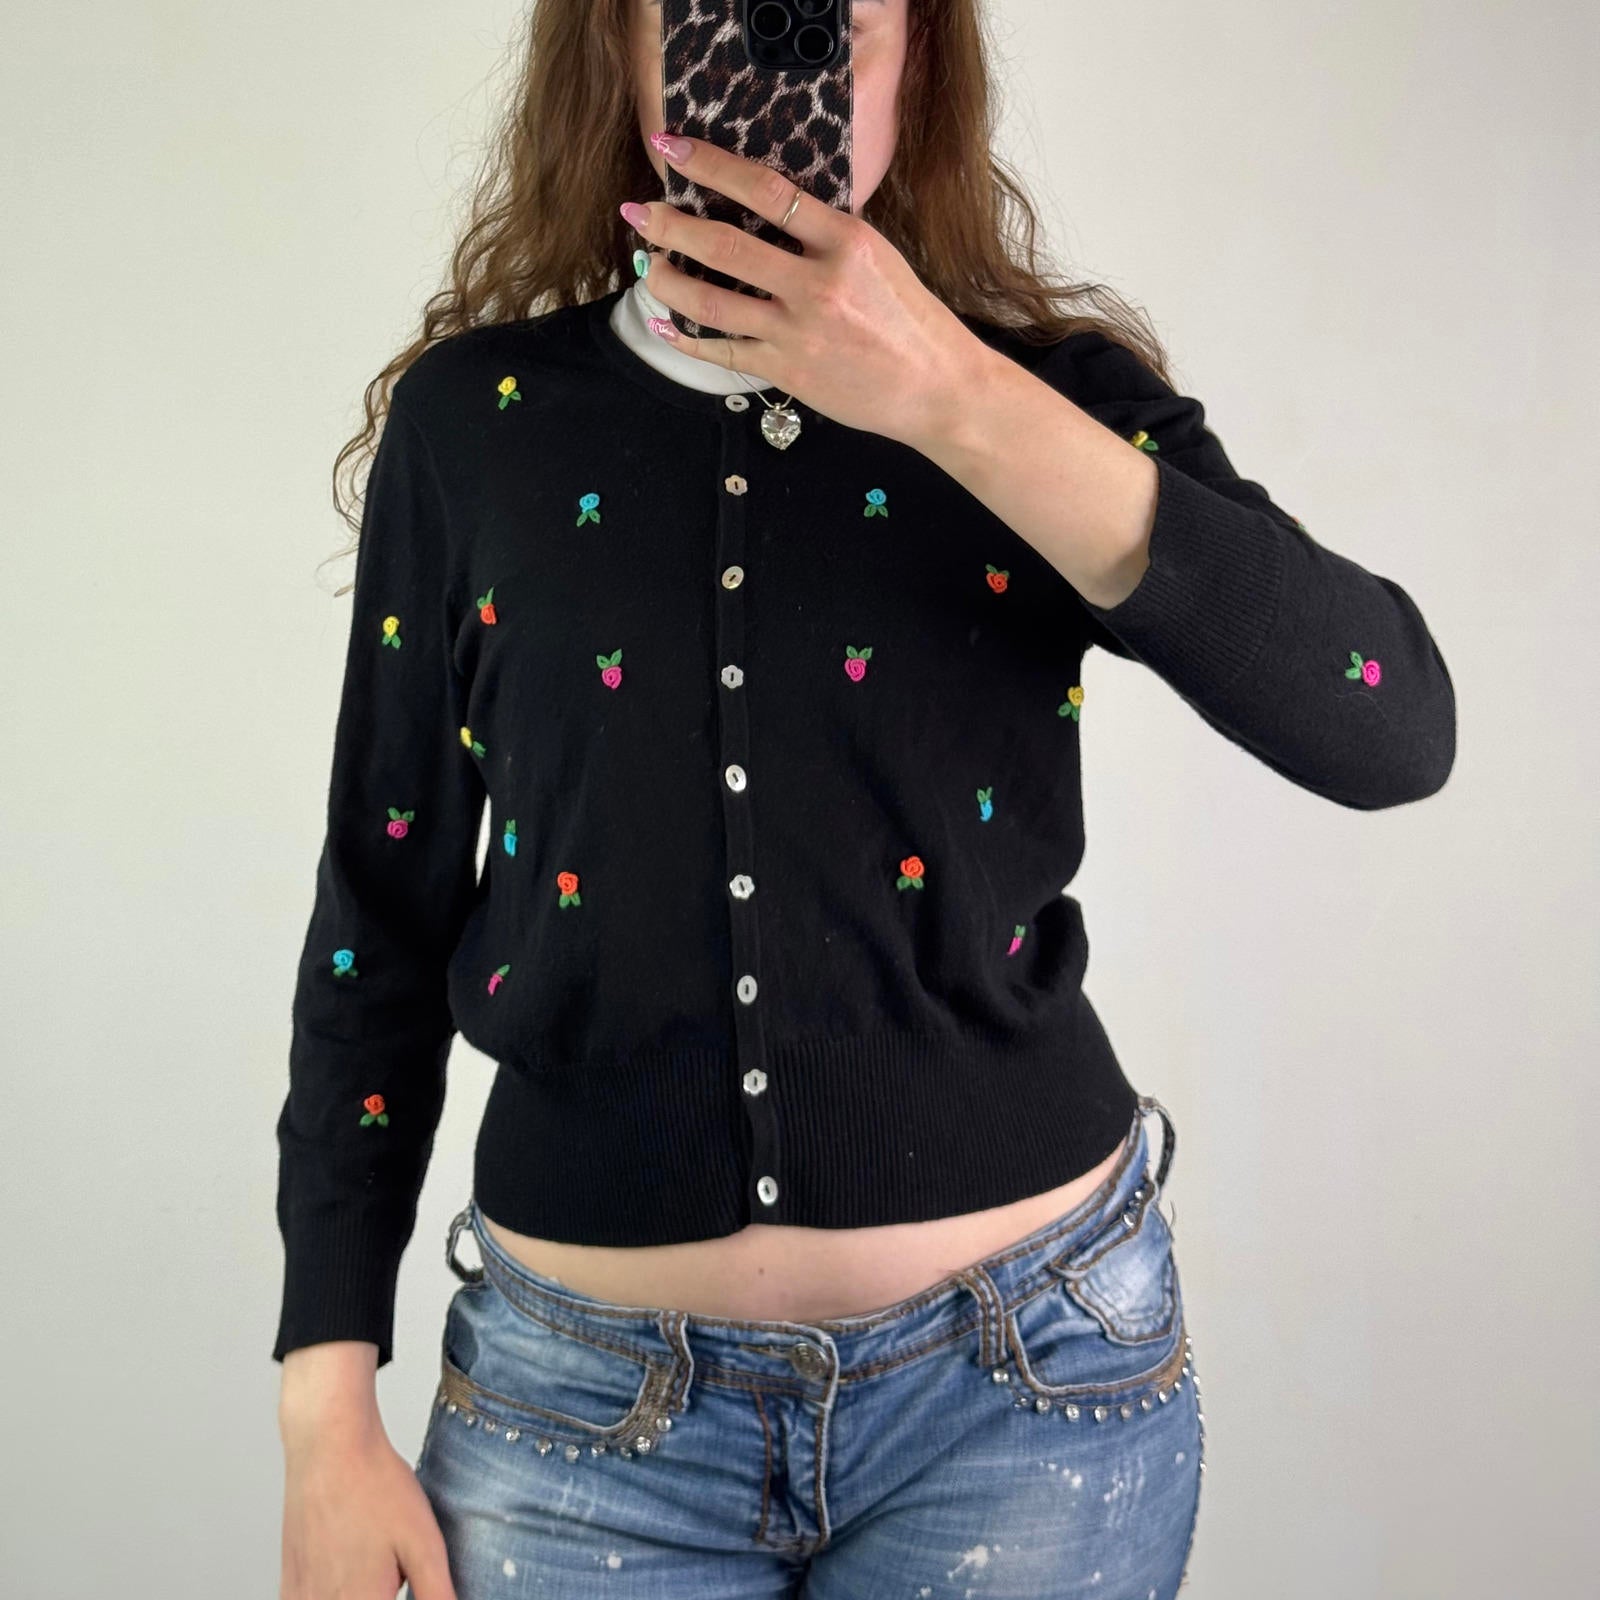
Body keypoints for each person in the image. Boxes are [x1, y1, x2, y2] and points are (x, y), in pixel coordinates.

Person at [274, 2, 1457, 1596]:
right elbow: (380, 916)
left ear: (920, 60)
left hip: (1030, 1396)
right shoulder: (472, 427)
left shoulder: (1046, 403)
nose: (787, 59)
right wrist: (324, 1419)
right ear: (622, 47)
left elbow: (1390, 727)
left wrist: (954, 397)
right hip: (576, 1429)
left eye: (841, 20)